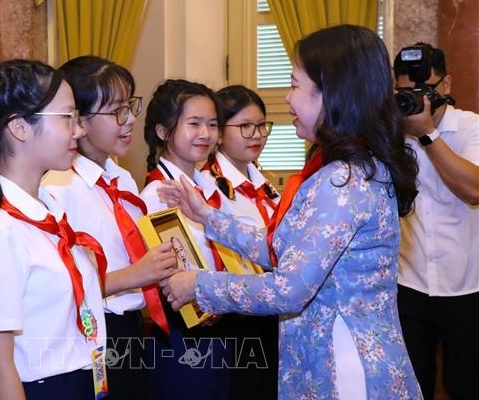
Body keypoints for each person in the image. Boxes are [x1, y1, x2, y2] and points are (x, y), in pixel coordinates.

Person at [158, 25, 424, 400]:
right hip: (342, 352)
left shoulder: (342, 181)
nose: (287, 98)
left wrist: (198, 285)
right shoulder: (349, 167)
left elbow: (290, 288)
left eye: (296, 85)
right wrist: (209, 218)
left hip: (342, 365)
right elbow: (290, 250)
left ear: (331, 93)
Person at [0, 59, 107, 400]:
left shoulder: (49, 209)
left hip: (83, 381)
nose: (79, 130)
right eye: (67, 117)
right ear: (20, 127)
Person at [42, 55, 178, 400]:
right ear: (79, 120)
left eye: (131, 106)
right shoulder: (57, 187)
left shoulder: (121, 178)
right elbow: (63, 288)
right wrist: (137, 273)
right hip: (92, 336)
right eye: (117, 110)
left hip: (132, 330)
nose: (131, 119)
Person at [394, 43, 479, 400]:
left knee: (467, 385)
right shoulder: (393, 132)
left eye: (425, 90)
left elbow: (473, 189)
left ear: (446, 85)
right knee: (413, 384)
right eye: (406, 93)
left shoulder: (470, 126)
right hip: (408, 283)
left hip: (467, 283)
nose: (417, 101)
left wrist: (427, 134)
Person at [141, 78, 234, 400]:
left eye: (212, 124)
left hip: (220, 323)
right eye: (194, 124)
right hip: (182, 328)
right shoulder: (157, 194)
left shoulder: (211, 187)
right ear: (163, 132)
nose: (206, 134)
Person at [201, 85, 280, 400]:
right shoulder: (208, 187)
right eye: (245, 126)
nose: (257, 134)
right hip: (236, 319)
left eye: (262, 125)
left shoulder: (266, 185)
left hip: (272, 308)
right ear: (219, 133)